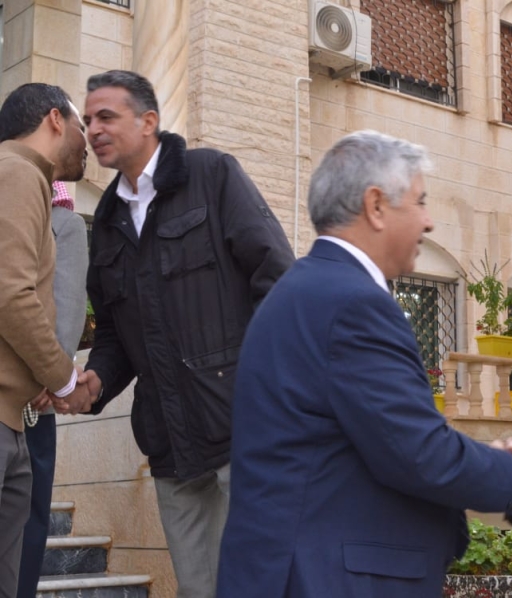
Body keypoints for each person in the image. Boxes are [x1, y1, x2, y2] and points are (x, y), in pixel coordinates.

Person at [216, 130, 512, 598]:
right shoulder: (353, 303)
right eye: (420, 201)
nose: (429, 221)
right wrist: (510, 474)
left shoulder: (309, 288)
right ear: (376, 206)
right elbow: (415, 453)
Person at [62, 70, 295, 598]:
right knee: (198, 589)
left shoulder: (211, 176)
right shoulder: (107, 221)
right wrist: (96, 380)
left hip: (242, 430)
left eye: (106, 116)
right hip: (170, 445)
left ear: (148, 121)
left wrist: (265, 389)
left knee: (260, 584)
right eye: (88, 119)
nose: (93, 129)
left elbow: (276, 279)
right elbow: (116, 334)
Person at [0, 82, 90, 598]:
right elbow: (11, 295)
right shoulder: (16, 174)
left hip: (16, 417)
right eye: (81, 124)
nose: (87, 139)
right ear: (55, 119)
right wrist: (63, 378)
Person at [17, 181, 89, 598]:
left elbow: (68, 307)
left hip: (32, 406)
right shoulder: (49, 222)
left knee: (27, 524)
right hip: (24, 402)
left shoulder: (62, 223)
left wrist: (52, 375)